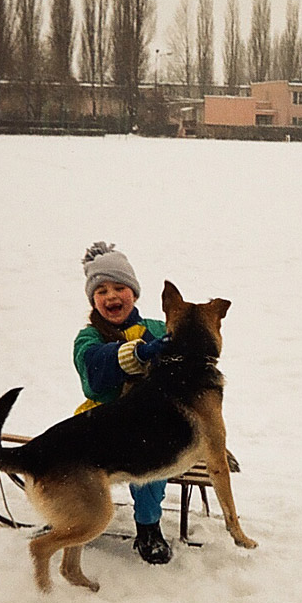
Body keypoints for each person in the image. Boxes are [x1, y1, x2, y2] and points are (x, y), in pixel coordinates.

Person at [73, 242, 174, 564]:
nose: (111, 296)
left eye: (119, 287)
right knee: (72, 459)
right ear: (93, 300)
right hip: (103, 421)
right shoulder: (89, 338)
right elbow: (95, 376)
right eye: (101, 291)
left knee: (151, 462)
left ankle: (148, 528)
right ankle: (71, 517)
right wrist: (138, 353)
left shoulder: (159, 329)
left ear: (134, 293)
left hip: (150, 425)